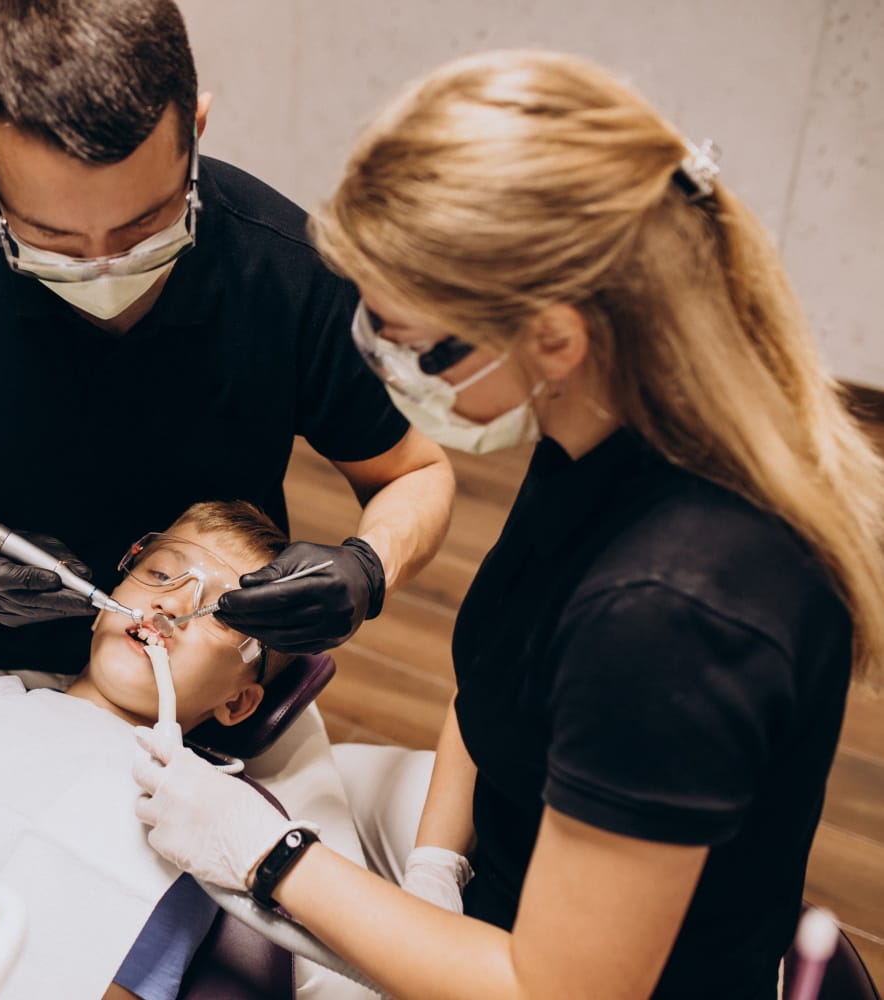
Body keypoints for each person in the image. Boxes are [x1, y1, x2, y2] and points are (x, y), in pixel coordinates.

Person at [132, 50, 884, 1000]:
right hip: (506, 872)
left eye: (403, 339)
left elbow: (558, 989)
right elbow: (494, 691)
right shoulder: (598, 423)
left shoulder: (674, 614)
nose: (383, 364)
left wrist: (269, 855)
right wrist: (435, 870)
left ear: (556, 336)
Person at [0, 0, 453, 687]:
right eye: (51, 239)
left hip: (200, 679)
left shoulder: (289, 270)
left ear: (197, 125)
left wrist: (368, 567)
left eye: (142, 228)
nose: (103, 267)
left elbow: (414, 473)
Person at [0, 501, 360, 1000]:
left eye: (220, 612)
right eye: (158, 573)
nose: (171, 601)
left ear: (239, 703)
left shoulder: (193, 825)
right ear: (102, 601)